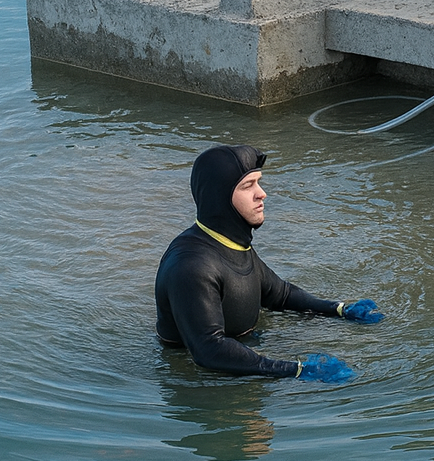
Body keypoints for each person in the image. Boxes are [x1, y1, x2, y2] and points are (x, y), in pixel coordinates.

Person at [155, 143, 382, 378]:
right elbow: (209, 351)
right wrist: (296, 370)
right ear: (219, 197)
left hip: (244, 349)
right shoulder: (192, 266)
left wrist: (339, 310)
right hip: (194, 378)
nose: (262, 193)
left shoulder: (233, 245)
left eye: (258, 182)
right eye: (248, 186)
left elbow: (280, 294)